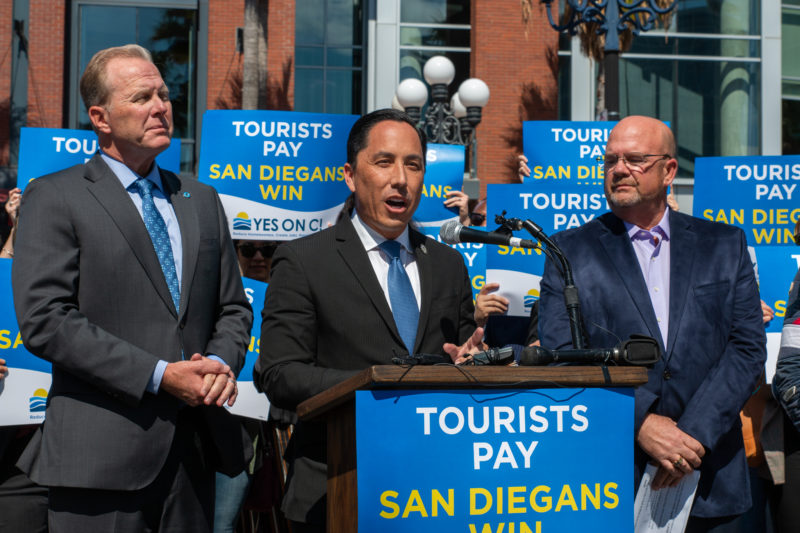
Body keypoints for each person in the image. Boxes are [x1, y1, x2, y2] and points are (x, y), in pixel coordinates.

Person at [11, 44, 253, 532]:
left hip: (194, 456)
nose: (161, 107)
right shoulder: (55, 195)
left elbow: (233, 306)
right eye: (142, 97)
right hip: (99, 460)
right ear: (100, 117)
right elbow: (46, 320)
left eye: (163, 94)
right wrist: (160, 375)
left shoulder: (201, 199)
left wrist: (218, 365)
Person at [254, 108, 482, 531]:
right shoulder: (303, 260)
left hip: (434, 490)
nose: (401, 179)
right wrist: (376, 383)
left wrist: (475, 363)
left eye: (413, 165)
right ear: (350, 175)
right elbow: (280, 374)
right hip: (335, 484)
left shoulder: (449, 264)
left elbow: (462, 352)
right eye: (384, 162)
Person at [539, 116, 766, 531]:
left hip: (712, 476)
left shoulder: (724, 243)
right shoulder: (569, 251)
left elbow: (747, 349)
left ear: (669, 170)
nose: (619, 169)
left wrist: (691, 437)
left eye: (635, 159)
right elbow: (563, 357)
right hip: (614, 479)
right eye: (611, 160)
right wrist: (640, 422)